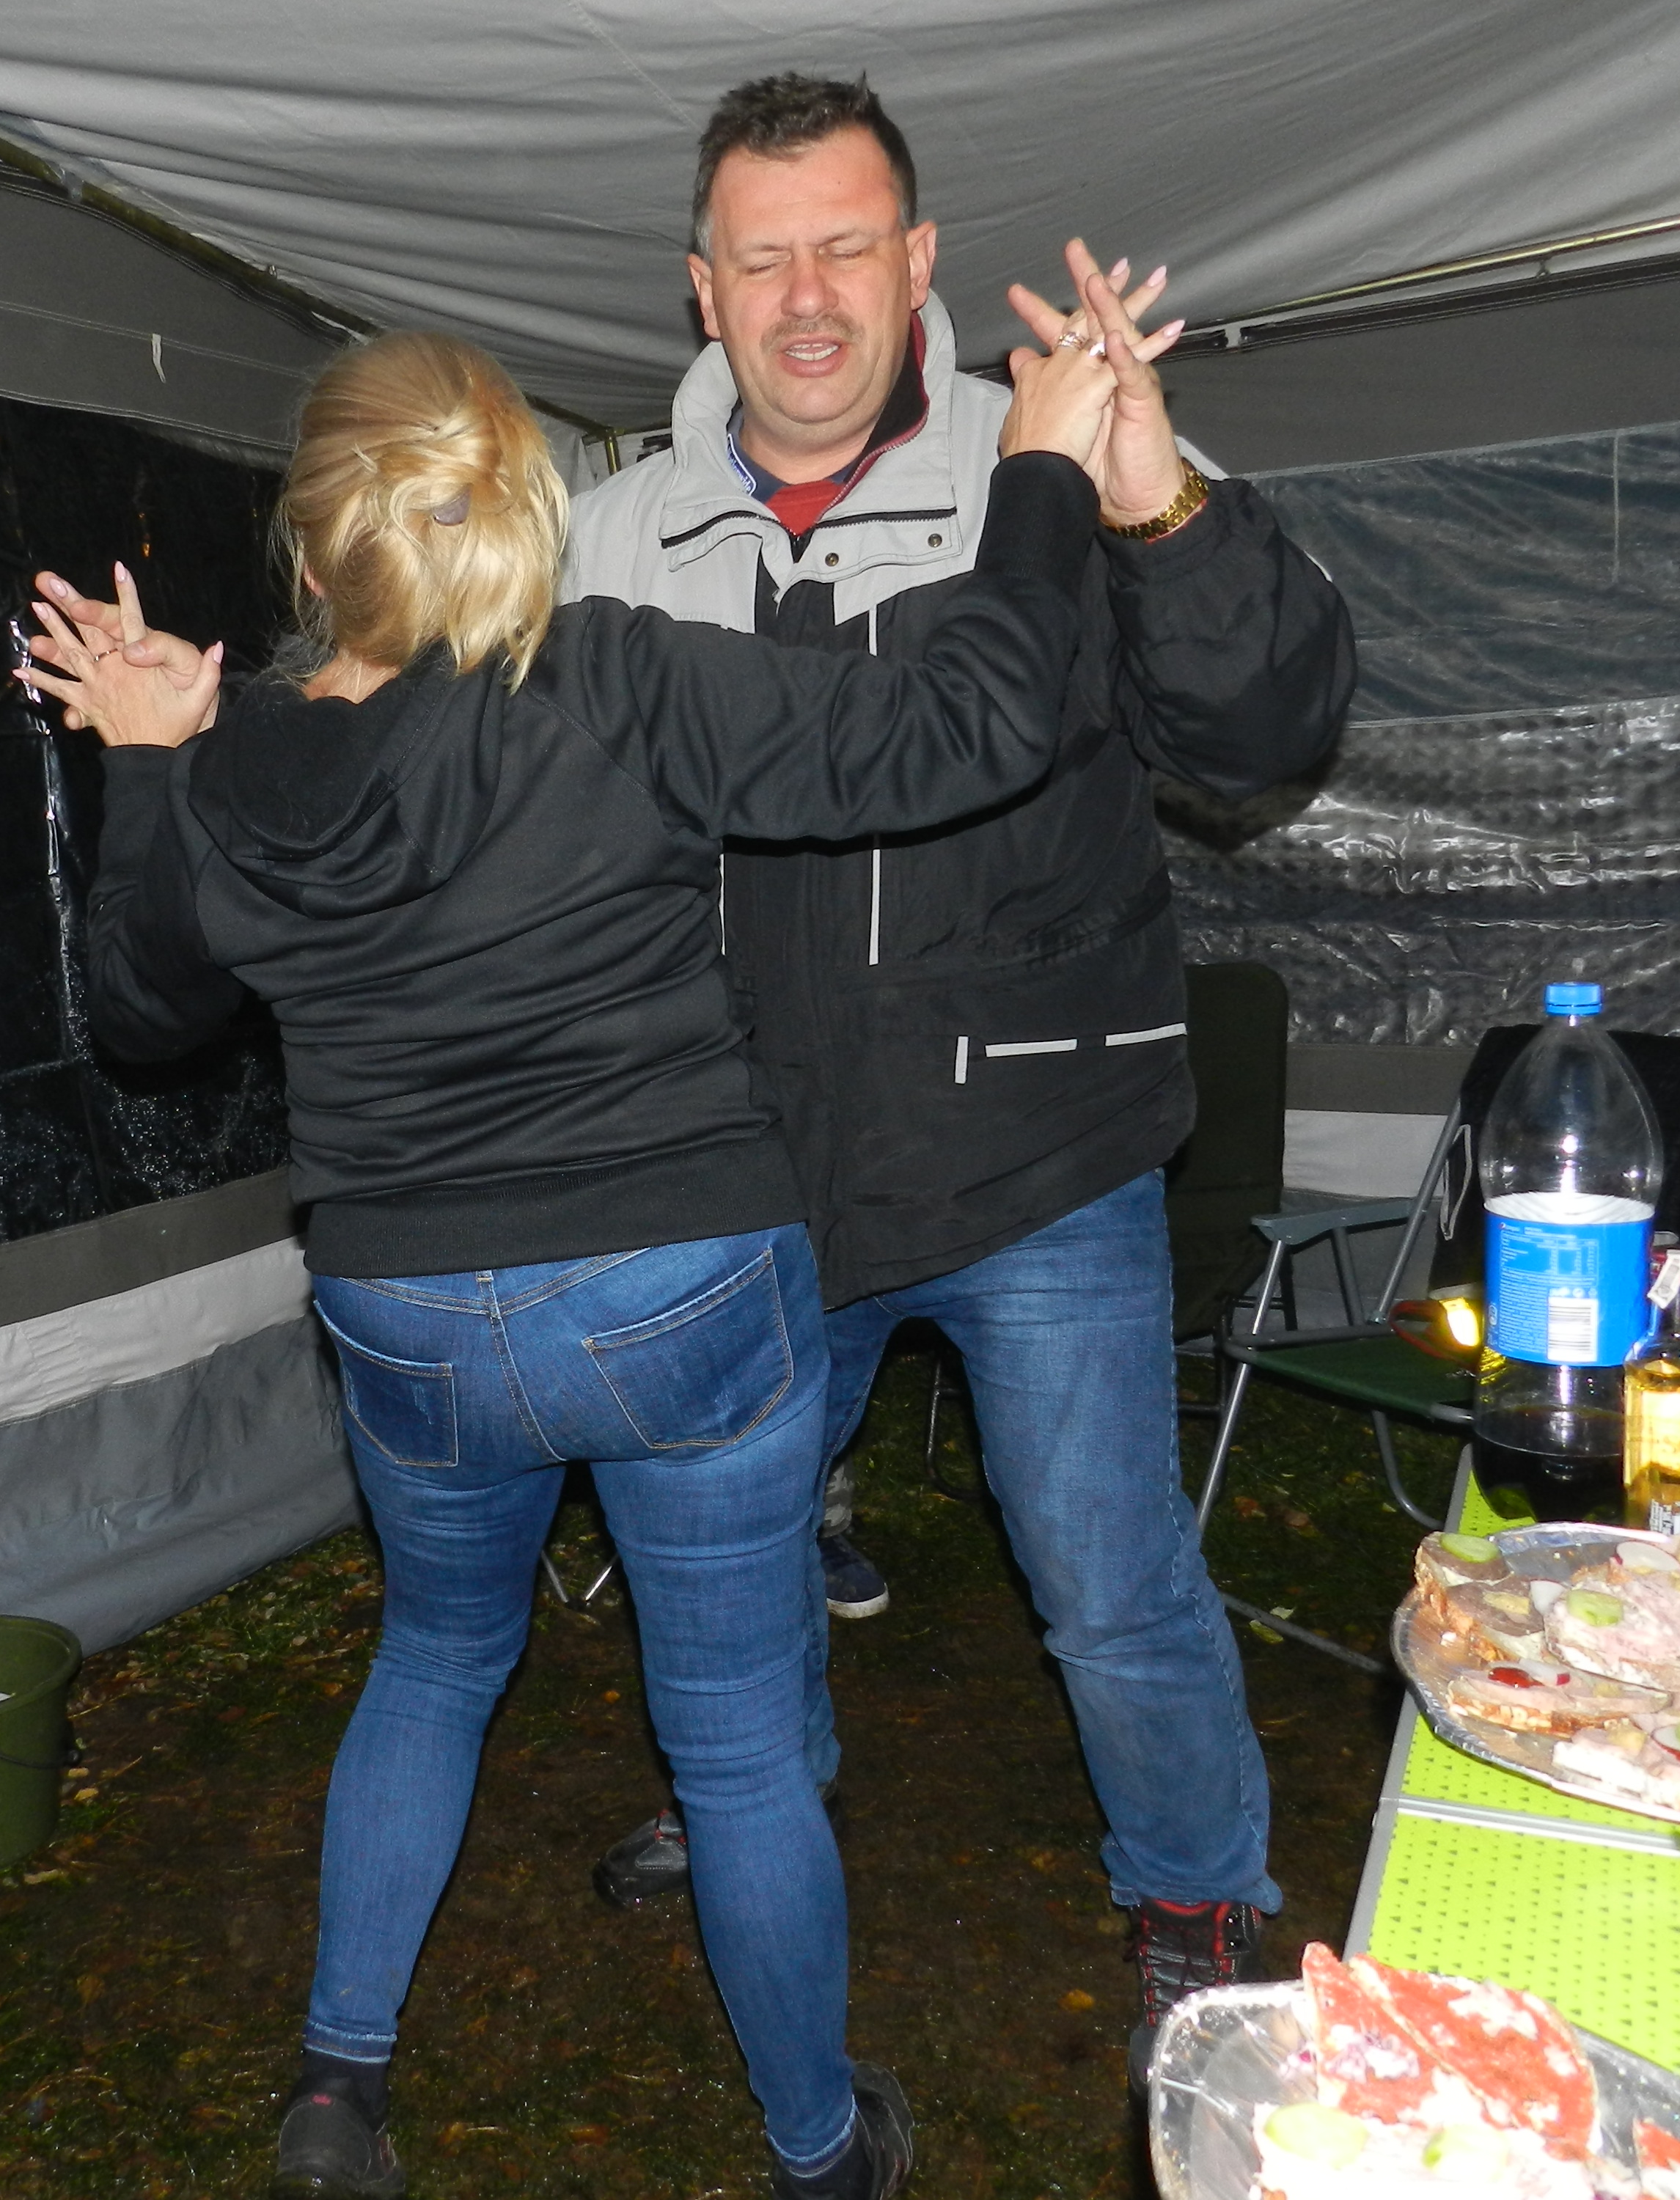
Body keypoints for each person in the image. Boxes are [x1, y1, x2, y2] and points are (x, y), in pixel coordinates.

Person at [18, 323, 1120, 2199]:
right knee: (739, 1749)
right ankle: (818, 2150)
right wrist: (1039, 473)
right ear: (525, 515)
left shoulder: (234, 764)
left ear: (309, 547)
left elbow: (136, 1014)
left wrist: (146, 753)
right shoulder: (610, 675)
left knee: (436, 1657)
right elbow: (974, 725)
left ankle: (337, 2094)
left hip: (406, 1313)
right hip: (675, 1285)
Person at [558, 75, 1354, 2087]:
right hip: (744, 1162)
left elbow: (1262, 737)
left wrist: (1157, 505)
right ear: (700, 285)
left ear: (917, 260)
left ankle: (1196, 1888)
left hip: (1035, 1149)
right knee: (726, 1558)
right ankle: (753, 1791)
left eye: (847, 247)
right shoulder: (612, 534)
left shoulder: (1056, 451)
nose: (806, 297)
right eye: (762, 258)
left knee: (1108, 1578)